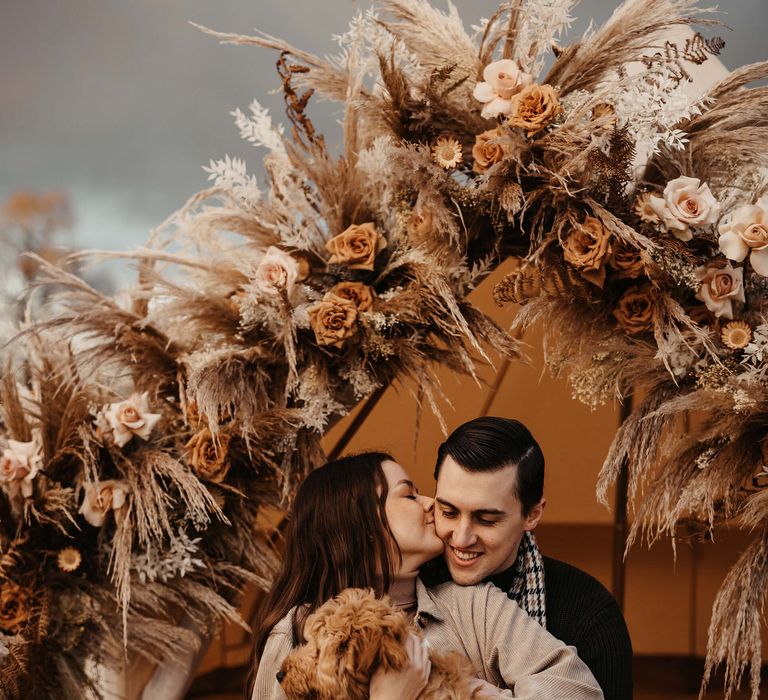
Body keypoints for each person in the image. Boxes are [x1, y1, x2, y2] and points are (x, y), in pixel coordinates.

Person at [248, 451, 603, 699]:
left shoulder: (472, 604)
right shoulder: (296, 634)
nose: (432, 503)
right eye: (410, 495)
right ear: (364, 525)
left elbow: (578, 689)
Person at [430, 417, 633, 700]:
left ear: (533, 514)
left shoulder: (589, 615)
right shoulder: (408, 584)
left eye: (486, 520)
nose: (461, 538)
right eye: (448, 513)